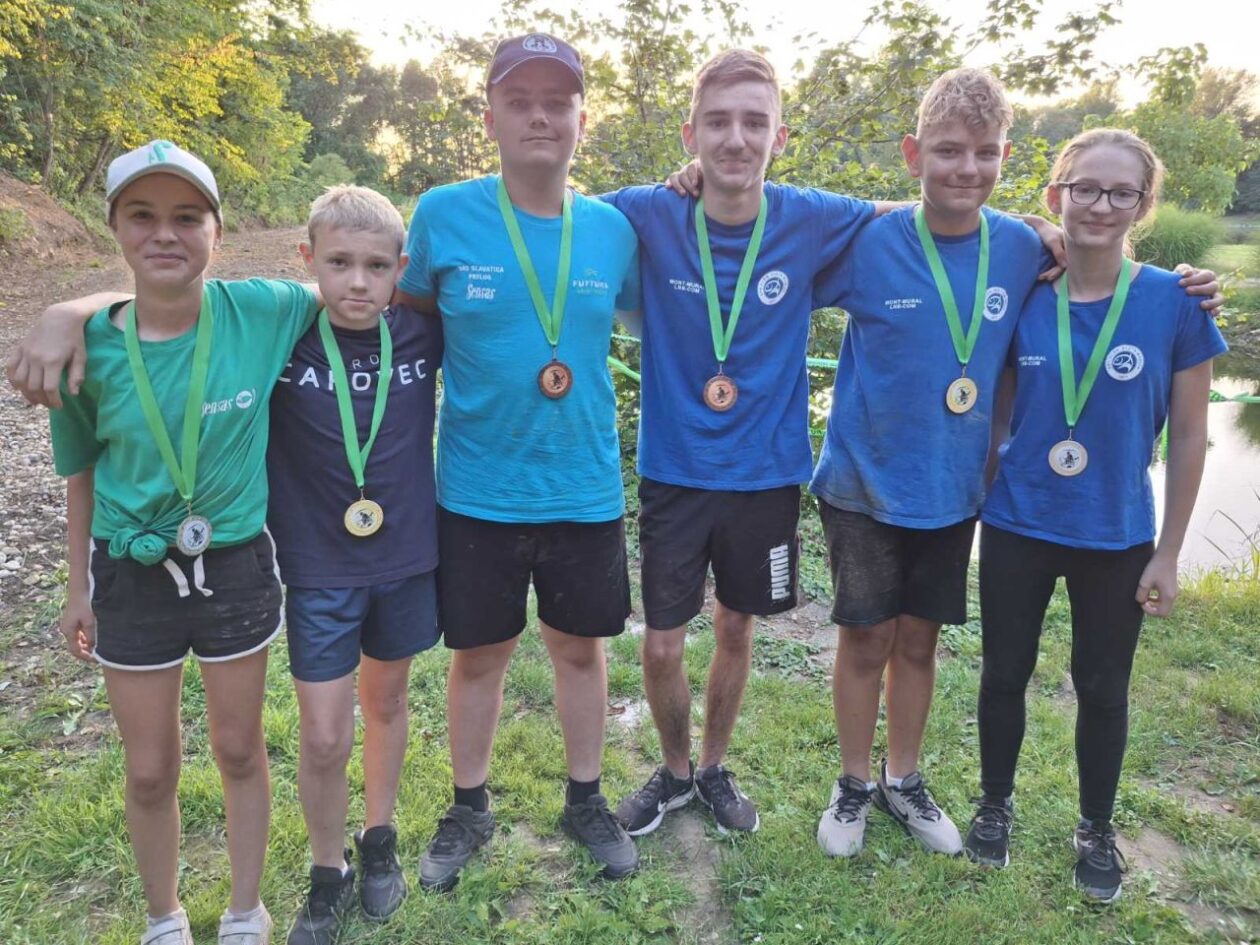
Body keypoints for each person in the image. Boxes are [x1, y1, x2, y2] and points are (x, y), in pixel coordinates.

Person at [807, 70, 1223, 860]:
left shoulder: (1027, 247)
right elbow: (781, 275)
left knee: (921, 643)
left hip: (954, 488)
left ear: (1005, 159)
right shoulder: (869, 241)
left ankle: (905, 778)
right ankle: (854, 783)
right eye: (947, 152)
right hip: (863, 480)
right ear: (913, 155)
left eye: (984, 153)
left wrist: (1181, 281)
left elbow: (1087, 263)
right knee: (867, 641)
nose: (965, 168)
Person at [42, 140, 321, 945]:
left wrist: (65, 304)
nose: (166, 234)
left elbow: (349, 275)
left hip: (234, 564)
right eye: (143, 216)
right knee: (150, 765)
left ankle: (245, 906)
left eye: (187, 217)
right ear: (117, 230)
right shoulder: (86, 352)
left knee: (239, 747)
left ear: (216, 232)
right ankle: (163, 914)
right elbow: (82, 476)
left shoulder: (261, 311)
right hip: (129, 573)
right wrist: (76, 586)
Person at [603, 50, 881, 837]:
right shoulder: (647, 211)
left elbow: (919, 212)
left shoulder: (812, 217)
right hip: (674, 472)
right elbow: (554, 218)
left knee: (737, 627)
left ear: (780, 135)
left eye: (754, 122)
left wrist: (1035, 224)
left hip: (765, 476)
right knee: (661, 643)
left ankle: (714, 768)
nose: (735, 138)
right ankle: (673, 771)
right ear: (690, 133)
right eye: (718, 122)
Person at [391, 33, 643, 889]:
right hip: (476, 488)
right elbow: (405, 324)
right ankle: (468, 804)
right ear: (490, 114)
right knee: (480, 656)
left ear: (581, 116)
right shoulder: (442, 215)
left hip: (583, 485)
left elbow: (667, 313)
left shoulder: (613, 229)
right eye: (521, 98)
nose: (541, 113)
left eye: (558, 99)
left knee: (579, 650)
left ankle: (584, 798)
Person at [965, 128, 1226, 903]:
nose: (1101, 205)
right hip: (1016, 523)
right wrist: (973, 502)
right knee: (1003, 673)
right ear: (1056, 195)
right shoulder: (1021, 295)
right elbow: (997, 416)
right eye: (1085, 188)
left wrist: (1169, 552)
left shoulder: (1175, 303)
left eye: (1121, 193)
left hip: (1116, 534)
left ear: (1143, 206)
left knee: (1103, 686)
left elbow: (1188, 436)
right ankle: (993, 806)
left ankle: (1096, 828)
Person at [272, 186, 441, 944]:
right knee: (322, 733)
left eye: (377, 266)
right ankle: (325, 868)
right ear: (307, 258)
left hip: (405, 556)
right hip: (317, 565)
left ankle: (379, 840)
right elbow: (165, 299)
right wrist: (65, 313)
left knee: (388, 702)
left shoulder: (421, 333)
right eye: (339, 262)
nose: (358, 282)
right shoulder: (278, 332)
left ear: (401, 268)